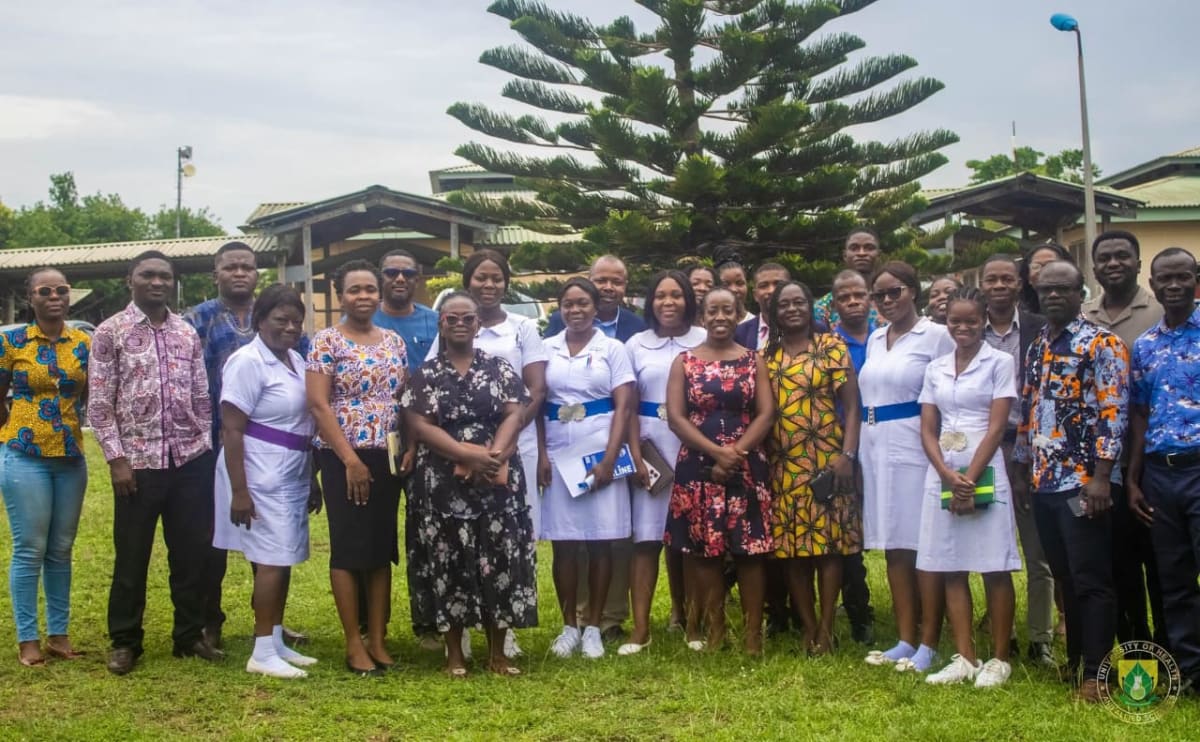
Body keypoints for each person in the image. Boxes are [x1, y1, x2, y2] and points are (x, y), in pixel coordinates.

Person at [89, 251, 219, 675]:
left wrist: (201, 444)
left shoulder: (186, 332)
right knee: (131, 558)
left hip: (188, 460)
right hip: (138, 464)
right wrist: (117, 459)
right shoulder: (111, 332)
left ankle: (188, 636)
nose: (157, 282)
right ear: (131, 279)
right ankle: (126, 642)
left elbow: (202, 395)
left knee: (190, 554)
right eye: (148, 275)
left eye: (165, 276)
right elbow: (99, 405)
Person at [403, 292, 538, 678]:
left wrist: (492, 455)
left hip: (497, 473)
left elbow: (516, 412)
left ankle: (498, 654)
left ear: (479, 324)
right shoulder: (426, 373)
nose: (460, 324)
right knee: (448, 558)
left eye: (467, 318)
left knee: (499, 558)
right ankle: (455, 656)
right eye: (451, 319)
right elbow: (420, 425)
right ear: (441, 325)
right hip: (442, 477)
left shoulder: (498, 367)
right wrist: (467, 455)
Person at [1012, 259, 1129, 703]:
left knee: (1092, 579)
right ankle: (1078, 661)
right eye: (1046, 291)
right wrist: (1022, 470)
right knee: (1064, 577)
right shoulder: (1037, 345)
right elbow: (1029, 409)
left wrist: (1102, 479)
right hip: (1044, 483)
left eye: (1063, 289)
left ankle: (1098, 675)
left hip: (1084, 485)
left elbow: (1112, 414)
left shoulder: (1103, 344)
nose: (1054, 296)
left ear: (1082, 293)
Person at [184, 240, 309, 651]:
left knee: (275, 551)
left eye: (248, 267)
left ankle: (271, 631)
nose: (240, 273)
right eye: (231, 267)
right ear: (216, 273)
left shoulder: (294, 351)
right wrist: (238, 486)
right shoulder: (200, 321)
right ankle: (213, 623)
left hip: (280, 459)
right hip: (228, 447)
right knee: (215, 546)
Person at [306, 259, 409, 677]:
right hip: (342, 456)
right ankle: (353, 643)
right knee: (349, 549)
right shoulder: (325, 342)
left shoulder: (394, 342)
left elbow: (401, 399)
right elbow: (317, 403)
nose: (363, 296)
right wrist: (349, 460)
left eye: (370, 289)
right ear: (340, 295)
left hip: (386, 455)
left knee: (381, 548)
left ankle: (378, 639)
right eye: (355, 290)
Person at [213, 285, 321, 679]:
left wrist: (311, 477)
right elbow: (232, 429)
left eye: (296, 320)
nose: (291, 327)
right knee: (271, 560)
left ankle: (275, 640)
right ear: (260, 320)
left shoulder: (294, 359)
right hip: (257, 472)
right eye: (281, 320)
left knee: (284, 555)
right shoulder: (247, 362)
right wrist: (240, 491)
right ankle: (260, 651)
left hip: (291, 468)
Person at [917, 287, 1021, 687]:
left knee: (994, 564)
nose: (962, 327)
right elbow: (928, 426)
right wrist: (945, 473)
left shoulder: (1000, 362)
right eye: (955, 321)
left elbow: (998, 426)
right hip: (943, 467)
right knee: (951, 564)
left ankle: (998, 658)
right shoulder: (936, 367)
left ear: (983, 321)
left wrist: (970, 479)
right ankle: (965, 656)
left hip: (984, 465)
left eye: (971, 321)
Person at [665, 288, 775, 655]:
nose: (720, 317)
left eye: (728, 310)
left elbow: (765, 413)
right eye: (713, 311)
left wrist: (737, 453)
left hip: (747, 467)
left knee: (750, 551)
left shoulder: (752, 360)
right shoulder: (684, 361)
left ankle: (752, 635)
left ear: (738, 314)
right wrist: (715, 453)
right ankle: (715, 630)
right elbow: (677, 417)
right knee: (704, 550)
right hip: (698, 465)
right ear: (702, 316)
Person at [859, 261, 954, 672]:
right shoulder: (877, 338)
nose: (886, 301)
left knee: (923, 544)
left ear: (913, 290)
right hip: (875, 446)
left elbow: (951, 394)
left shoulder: (935, 336)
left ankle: (930, 643)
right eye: (878, 295)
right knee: (894, 545)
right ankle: (904, 637)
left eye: (894, 292)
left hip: (915, 446)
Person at [545, 256, 642, 643]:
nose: (576, 310)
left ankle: (595, 629)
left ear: (594, 308)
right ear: (560, 308)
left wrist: (609, 459)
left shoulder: (613, 348)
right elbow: (535, 401)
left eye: (582, 303)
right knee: (565, 543)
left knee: (603, 540)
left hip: (601, 451)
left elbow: (625, 406)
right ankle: (570, 625)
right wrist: (541, 459)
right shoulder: (547, 346)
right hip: (558, 452)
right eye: (568, 304)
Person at [763, 280, 861, 655]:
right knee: (793, 551)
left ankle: (826, 626)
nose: (792, 309)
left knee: (829, 548)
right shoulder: (766, 356)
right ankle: (807, 627)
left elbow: (851, 407)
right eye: (784, 304)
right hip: (783, 463)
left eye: (799, 302)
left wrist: (847, 455)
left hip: (828, 460)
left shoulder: (831, 347)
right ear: (775, 313)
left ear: (811, 307)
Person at [0, 268, 90, 667]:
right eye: (45, 291)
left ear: (69, 296)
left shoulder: (84, 343)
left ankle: (59, 634)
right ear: (30, 298)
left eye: (61, 290)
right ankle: (27, 639)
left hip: (70, 459)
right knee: (30, 548)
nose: (54, 296)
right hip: (25, 457)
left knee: (61, 550)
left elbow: (91, 395)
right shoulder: (10, 342)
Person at [1081, 230, 1165, 646]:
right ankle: (1137, 649)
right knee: (1119, 563)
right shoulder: (1083, 315)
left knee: (1161, 563)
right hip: (1104, 464)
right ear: (1094, 267)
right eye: (1105, 258)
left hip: (1153, 457)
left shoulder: (1161, 310)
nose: (1113, 264)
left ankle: (1176, 652)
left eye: (1122, 257)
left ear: (1138, 262)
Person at [1127, 247, 1200, 692]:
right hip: (1159, 473)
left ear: (1196, 280)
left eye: (1182, 277)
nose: (1174, 285)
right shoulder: (1146, 346)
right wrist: (1134, 479)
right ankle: (1191, 671)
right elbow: (1139, 415)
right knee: (1172, 578)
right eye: (1165, 279)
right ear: (1152, 286)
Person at [623, 271, 706, 655]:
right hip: (650, 448)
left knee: (688, 541)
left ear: (689, 299)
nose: (668, 302)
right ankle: (641, 629)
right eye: (660, 296)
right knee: (646, 540)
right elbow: (625, 405)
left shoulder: (703, 340)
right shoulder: (636, 344)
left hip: (693, 444)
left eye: (676, 295)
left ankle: (690, 622)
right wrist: (635, 454)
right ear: (650, 302)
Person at [979, 254, 1055, 667]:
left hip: (1031, 451)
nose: (1000, 285)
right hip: (986, 451)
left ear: (1020, 283)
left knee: (1037, 547)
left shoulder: (1039, 328)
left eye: (1007, 278)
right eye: (992, 279)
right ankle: (998, 633)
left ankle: (1040, 637)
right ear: (982, 283)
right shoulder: (969, 328)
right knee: (991, 541)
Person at [829, 270, 878, 645]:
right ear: (834, 304)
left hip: (885, 444)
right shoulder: (829, 345)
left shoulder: (886, 341)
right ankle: (859, 614)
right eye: (844, 297)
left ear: (870, 298)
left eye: (859, 295)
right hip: (843, 447)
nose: (853, 302)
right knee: (847, 536)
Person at [543, 255, 646, 340]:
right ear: (589, 282)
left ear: (625, 286)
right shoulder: (561, 320)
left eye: (617, 282)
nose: (608, 288)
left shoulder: (638, 326)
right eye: (601, 281)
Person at [373, 249, 438, 370]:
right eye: (391, 273)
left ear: (417, 281)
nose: (400, 279)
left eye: (408, 274)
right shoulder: (362, 321)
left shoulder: (437, 321)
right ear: (380, 279)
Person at [815, 227, 884, 327]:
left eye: (869, 248)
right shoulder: (823, 307)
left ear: (879, 255)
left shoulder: (890, 300)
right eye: (854, 248)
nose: (862, 253)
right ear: (845, 255)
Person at [734, 262, 791, 350]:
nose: (771, 290)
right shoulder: (739, 334)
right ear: (755, 295)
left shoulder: (815, 330)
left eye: (778, 284)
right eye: (763, 286)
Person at [1018, 243, 1072, 314]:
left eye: (1050, 265)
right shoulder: (1019, 316)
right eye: (1036, 267)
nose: (1043, 271)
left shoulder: (1080, 313)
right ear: (1028, 278)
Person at [713, 248, 755, 323]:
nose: (734, 289)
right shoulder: (707, 325)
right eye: (726, 285)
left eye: (739, 283)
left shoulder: (757, 326)